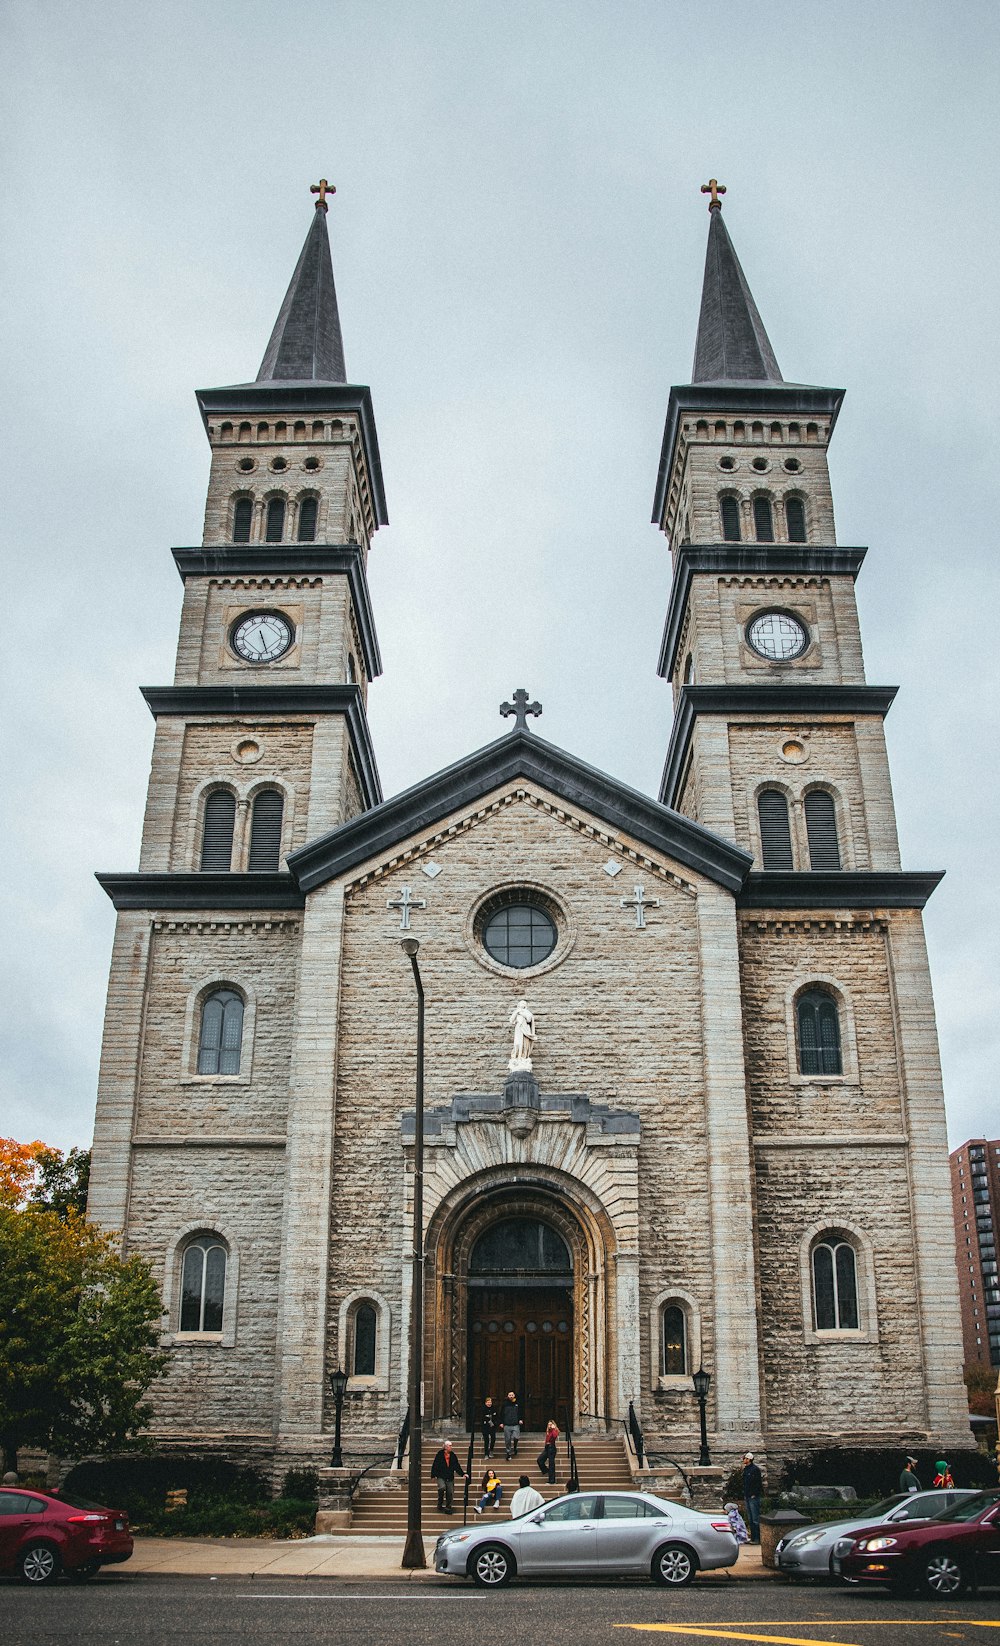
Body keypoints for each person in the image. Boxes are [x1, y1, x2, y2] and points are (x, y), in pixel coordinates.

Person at [430, 1439, 466, 1515]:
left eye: (451, 1445)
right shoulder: (439, 1454)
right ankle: (440, 1502)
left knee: (450, 1492)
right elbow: (435, 1464)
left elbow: (456, 1465)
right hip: (441, 1475)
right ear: (445, 1447)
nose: (451, 1447)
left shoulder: (452, 1455)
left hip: (449, 1476)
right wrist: (433, 1475)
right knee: (442, 1487)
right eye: (450, 1446)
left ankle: (448, 1507)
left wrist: (462, 1474)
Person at [742, 1452, 763, 1543]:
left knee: (755, 1519)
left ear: (749, 1459)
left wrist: (754, 1493)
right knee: (750, 1518)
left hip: (753, 1496)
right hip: (747, 1495)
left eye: (745, 1458)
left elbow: (758, 1483)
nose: (744, 1460)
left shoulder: (755, 1470)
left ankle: (758, 1538)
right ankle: (753, 1538)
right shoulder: (746, 1469)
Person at [501, 1390, 522, 1460]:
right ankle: (508, 1453)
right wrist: (501, 1422)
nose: (511, 1396)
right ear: (507, 1396)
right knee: (507, 1439)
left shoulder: (517, 1403)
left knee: (516, 1437)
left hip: (515, 1424)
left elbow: (520, 1412)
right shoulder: (504, 1404)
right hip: (507, 1424)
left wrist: (520, 1419)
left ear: (514, 1396)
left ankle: (515, 1447)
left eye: (512, 1395)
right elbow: (501, 1413)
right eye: (509, 1395)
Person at [539, 1418, 560, 1485]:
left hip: (552, 1447)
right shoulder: (548, 1431)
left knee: (551, 1464)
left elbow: (554, 1437)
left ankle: (552, 1480)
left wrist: (553, 1429)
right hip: (547, 1448)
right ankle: (546, 1470)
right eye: (549, 1425)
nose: (549, 1426)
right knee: (540, 1460)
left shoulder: (554, 1430)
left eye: (551, 1424)